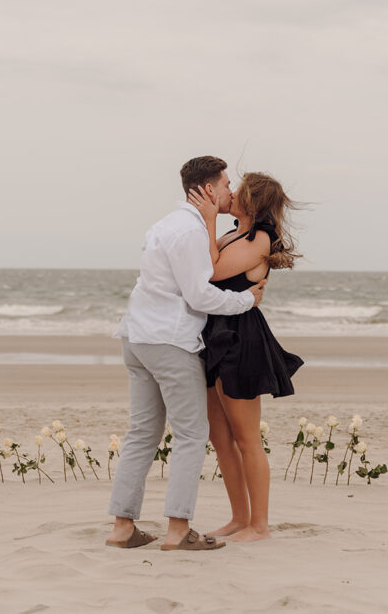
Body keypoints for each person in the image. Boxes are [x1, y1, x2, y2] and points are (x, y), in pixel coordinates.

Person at [106, 156, 267, 551]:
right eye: (227, 184)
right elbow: (200, 294)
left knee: (143, 433)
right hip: (169, 341)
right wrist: (247, 300)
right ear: (210, 190)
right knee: (193, 434)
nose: (231, 191)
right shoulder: (192, 231)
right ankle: (178, 531)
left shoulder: (165, 225)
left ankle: (123, 528)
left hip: (137, 337)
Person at [186, 171, 303, 543]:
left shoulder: (260, 239)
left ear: (253, 201)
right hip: (213, 333)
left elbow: (210, 271)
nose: (230, 193)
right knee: (221, 438)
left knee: (246, 438)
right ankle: (239, 519)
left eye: (238, 190)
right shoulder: (234, 233)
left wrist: (207, 220)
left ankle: (260, 526)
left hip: (240, 338)